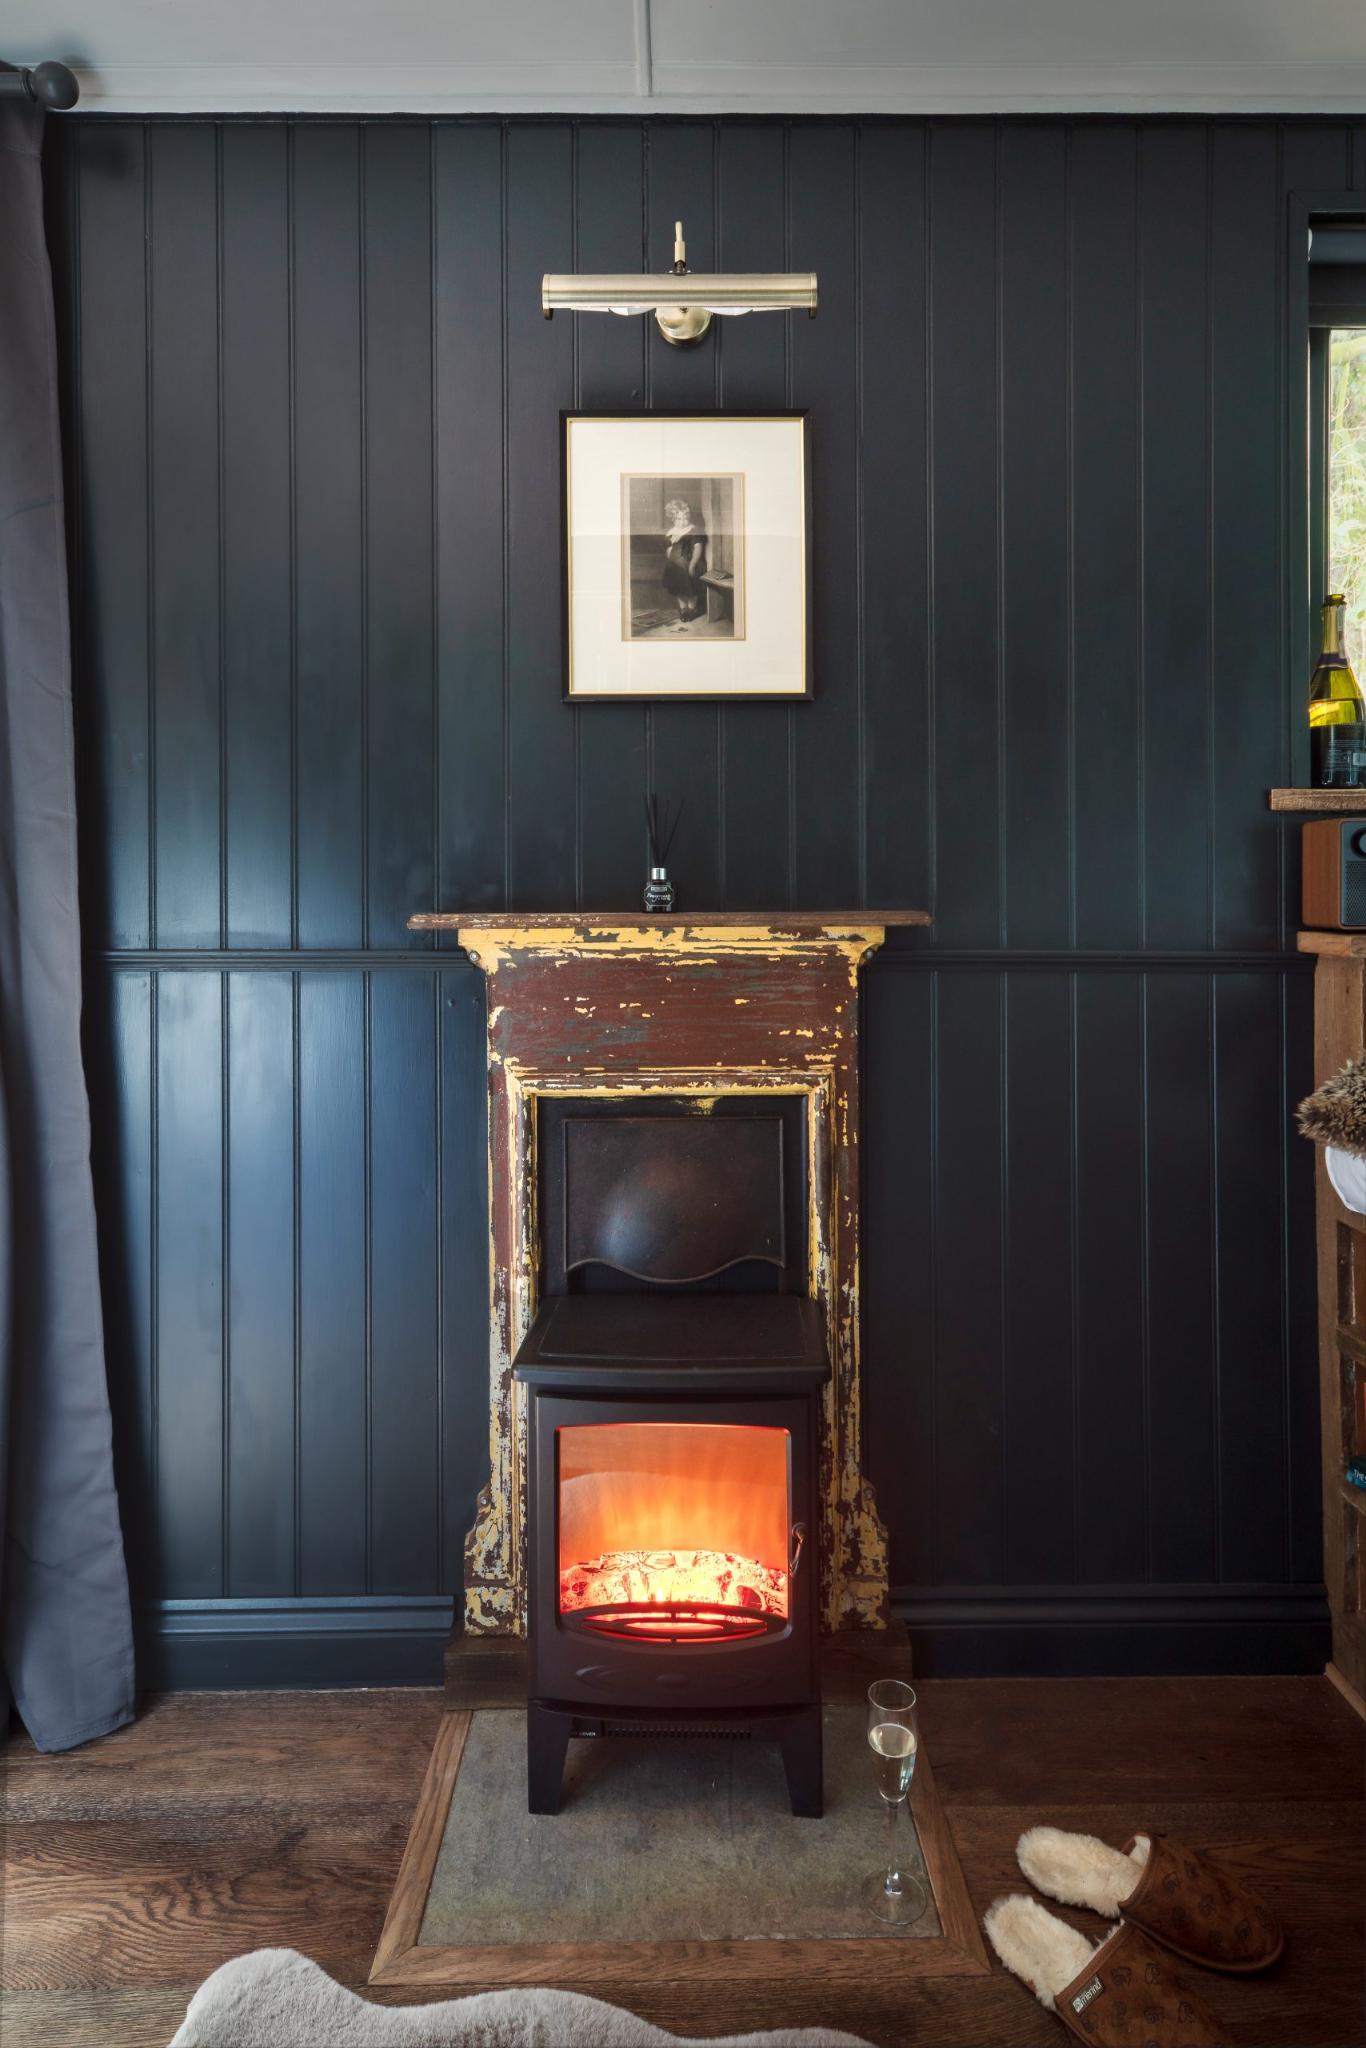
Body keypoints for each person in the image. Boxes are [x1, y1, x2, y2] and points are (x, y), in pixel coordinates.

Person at [660, 498, 707, 628]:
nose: (682, 522)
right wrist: (671, 563)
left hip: (690, 564)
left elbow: (698, 548)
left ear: (689, 517)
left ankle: (692, 610)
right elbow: (669, 551)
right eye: (679, 519)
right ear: (674, 519)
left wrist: (692, 565)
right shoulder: (671, 533)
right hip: (675, 567)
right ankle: (683, 610)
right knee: (679, 589)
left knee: (691, 589)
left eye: (685, 518)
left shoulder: (693, 531)